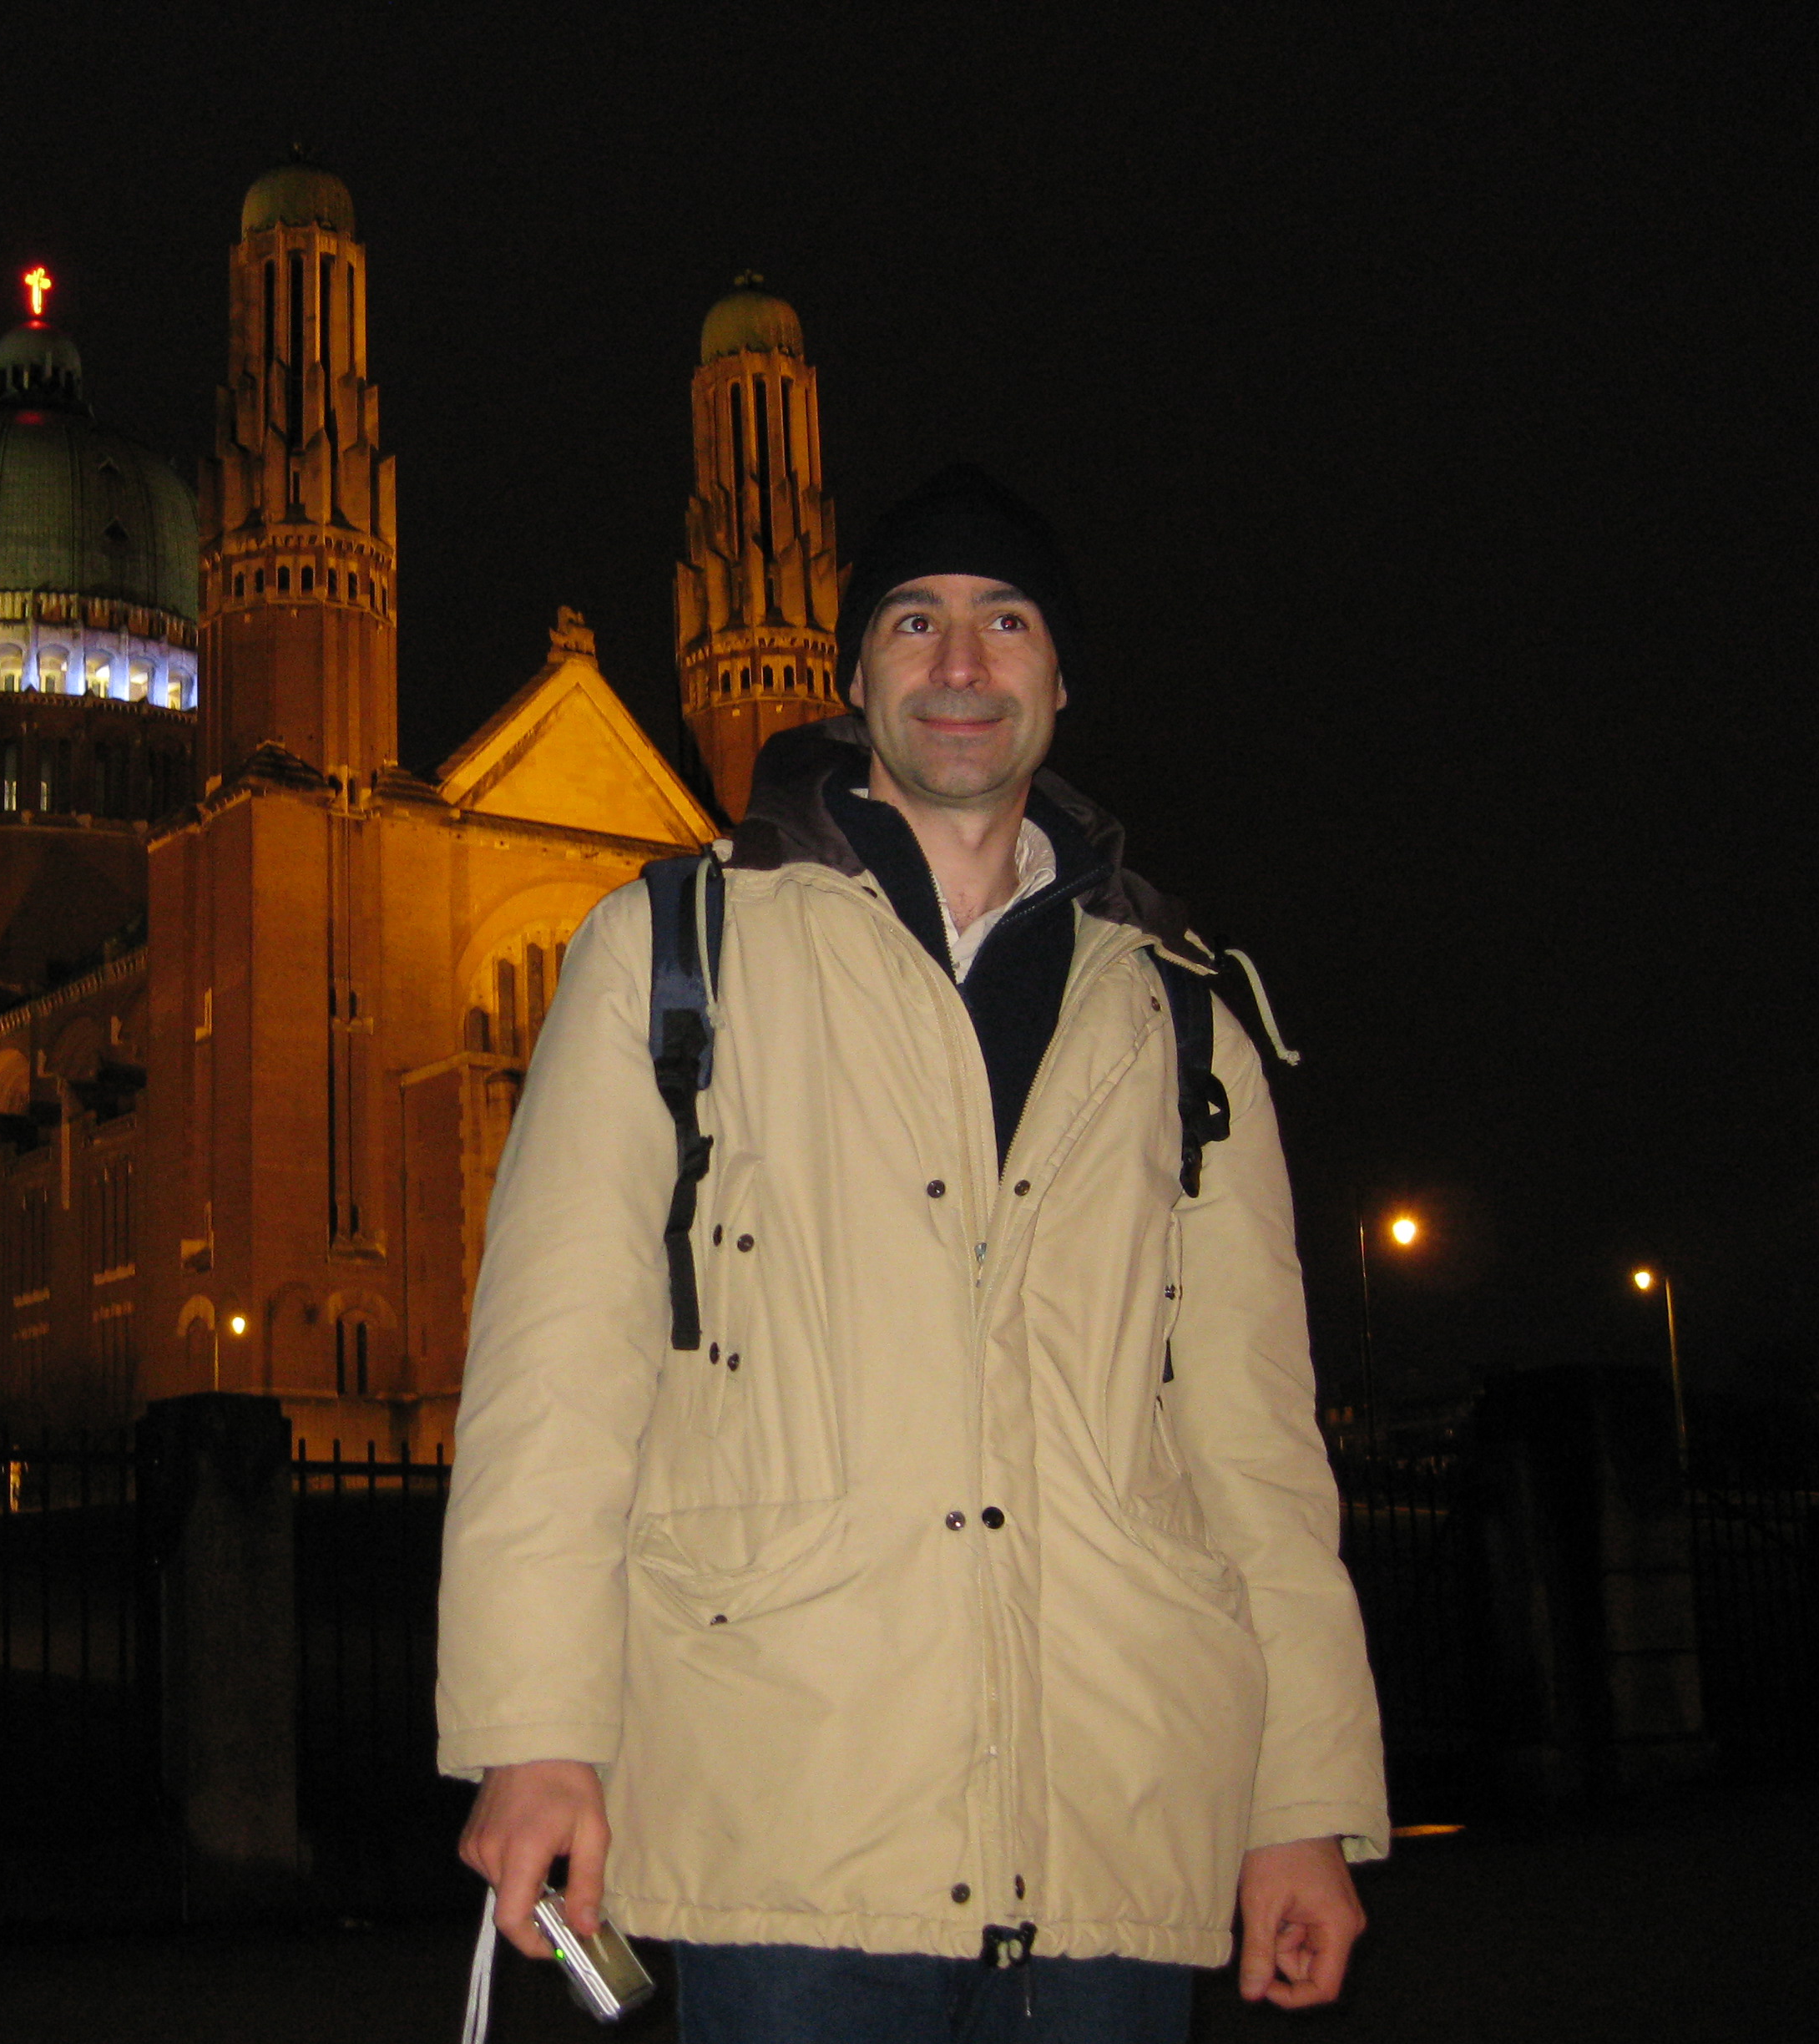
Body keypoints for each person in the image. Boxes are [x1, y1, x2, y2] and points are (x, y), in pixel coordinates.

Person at [436, 467, 1387, 2042]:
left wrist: (1301, 1805)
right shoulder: (675, 952)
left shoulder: (1178, 1013)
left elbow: (1253, 1449)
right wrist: (535, 1731)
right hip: (795, 1830)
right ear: (852, 675)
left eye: (1005, 624)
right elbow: (556, 1378)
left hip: (1114, 1835)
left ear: (1061, 679)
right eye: (914, 622)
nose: (960, 665)